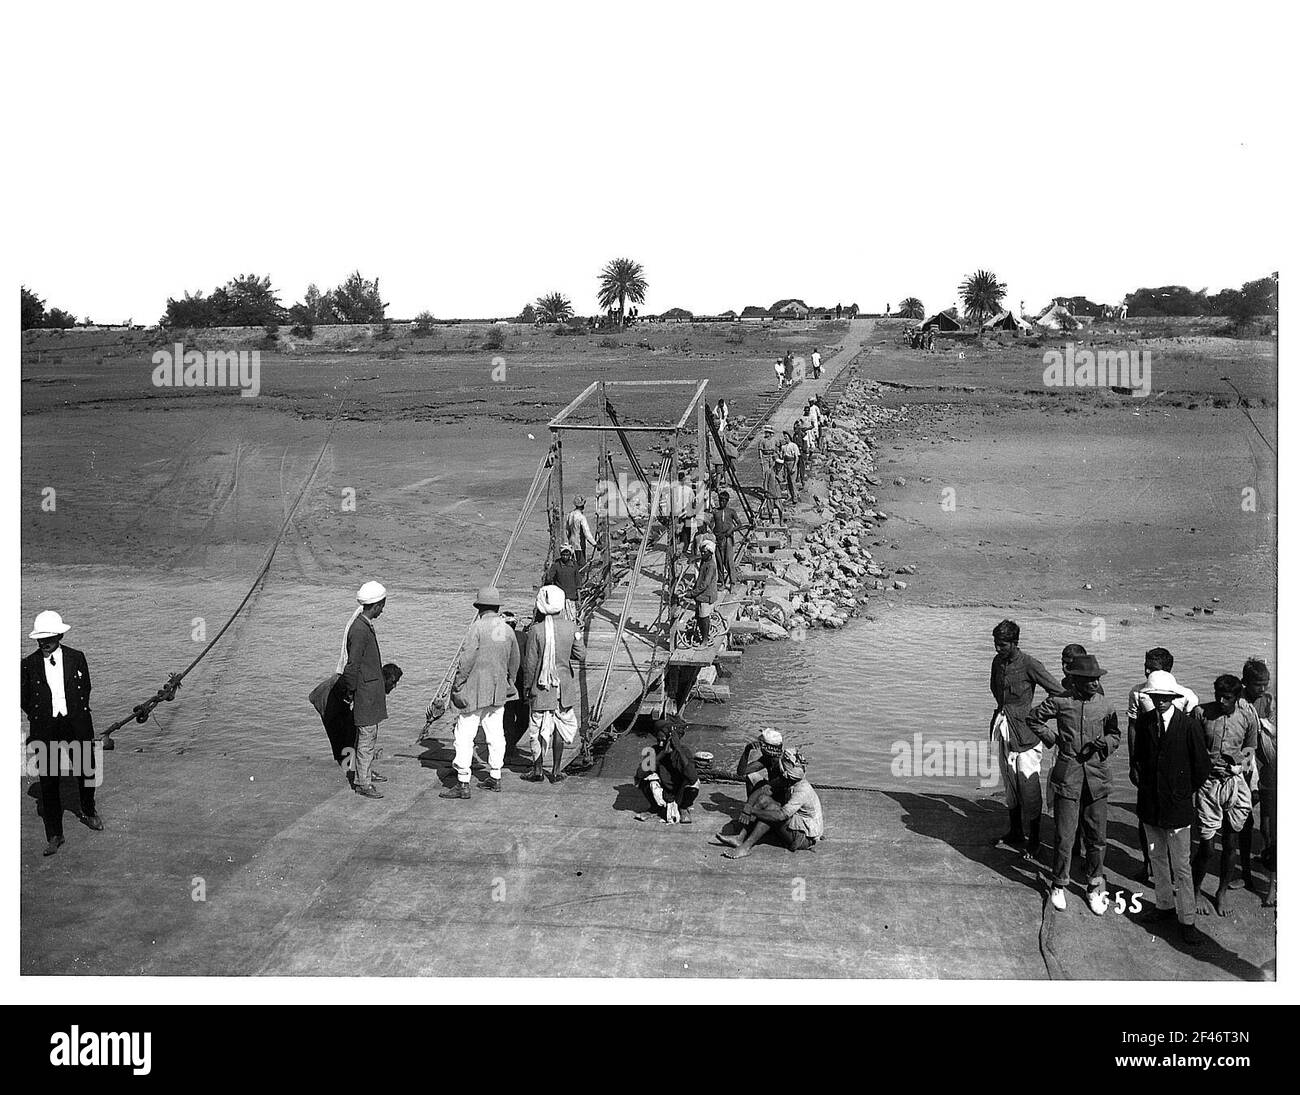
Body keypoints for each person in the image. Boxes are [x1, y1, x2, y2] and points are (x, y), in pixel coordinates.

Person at [1027, 653, 1121, 913]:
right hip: (1068, 776)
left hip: (1097, 778)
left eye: (1096, 679)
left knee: (1097, 836)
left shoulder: (1106, 705)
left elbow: (1116, 734)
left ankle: (1093, 886)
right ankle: (1059, 884)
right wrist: (1053, 739)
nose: (1094, 684)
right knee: (1064, 836)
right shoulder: (1060, 701)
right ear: (1075, 680)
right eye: (1089, 680)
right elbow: (1033, 718)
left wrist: (1107, 745)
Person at [1131, 670, 1212, 947]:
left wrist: (1180, 792)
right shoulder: (1143, 723)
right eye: (1156, 697)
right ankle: (1164, 906)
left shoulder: (1188, 726)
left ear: (1174, 698)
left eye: (1166, 698)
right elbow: (1139, 758)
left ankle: (1187, 920)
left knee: (1182, 866)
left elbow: (1202, 767)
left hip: (1177, 807)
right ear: (1151, 698)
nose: (1161, 702)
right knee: (1157, 859)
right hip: (1151, 805)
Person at [20, 610, 102, 856]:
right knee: (49, 781)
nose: (44, 643)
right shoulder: (28, 664)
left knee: (87, 770)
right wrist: (42, 715)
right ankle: (55, 834)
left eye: (49, 638)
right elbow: (24, 697)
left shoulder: (77, 658)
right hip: (46, 727)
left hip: (75, 723)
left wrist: (74, 712)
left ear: (59, 636)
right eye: (40, 639)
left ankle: (88, 810)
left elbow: (85, 687)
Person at [989, 619, 1065, 853]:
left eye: (1002, 645)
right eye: (995, 643)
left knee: (1029, 786)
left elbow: (1059, 693)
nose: (997, 648)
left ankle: (1034, 839)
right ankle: (1015, 832)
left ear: (1014, 643)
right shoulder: (997, 662)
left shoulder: (1030, 664)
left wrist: (1036, 715)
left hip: (1027, 736)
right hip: (1004, 729)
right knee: (1009, 782)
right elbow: (995, 690)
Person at [1126, 648, 1199, 881]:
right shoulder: (1137, 693)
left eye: (1152, 667)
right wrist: (1132, 762)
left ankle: (1172, 871)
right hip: (1148, 763)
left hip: (1175, 767)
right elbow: (1132, 728)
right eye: (1145, 664)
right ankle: (1148, 864)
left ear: (1167, 671)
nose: (1146, 670)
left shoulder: (1187, 696)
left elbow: (1191, 735)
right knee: (1145, 816)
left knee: (1174, 821)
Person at [1190, 674, 1260, 917]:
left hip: (1234, 783)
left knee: (1230, 843)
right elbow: (1192, 749)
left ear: (1237, 696)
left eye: (1228, 697)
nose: (1221, 700)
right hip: (1208, 785)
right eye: (1218, 695)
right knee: (1206, 847)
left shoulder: (1247, 716)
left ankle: (1221, 892)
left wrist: (1241, 763)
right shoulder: (1200, 713)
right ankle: (1196, 891)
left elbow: (1251, 748)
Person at [444, 586, 520, 798]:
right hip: (498, 691)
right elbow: (515, 660)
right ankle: (495, 776)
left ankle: (463, 782)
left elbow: (466, 660)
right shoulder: (507, 629)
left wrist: (458, 684)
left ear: (479, 607)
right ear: (497, 607)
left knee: (464, 734)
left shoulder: (477, 628)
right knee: (496, 733)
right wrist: (508, 681)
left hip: (474, 689)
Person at [519, 585, 587, 784]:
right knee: (558, 726)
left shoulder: (536, 630)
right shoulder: (571, 627)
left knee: (539, 728)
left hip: (542, 688)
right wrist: (576, 638)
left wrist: (526, 689)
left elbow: (530, 664)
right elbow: (581, 655)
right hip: (564, 687)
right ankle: (556, 771)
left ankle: (538, 769)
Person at [720, 748, 823, 859]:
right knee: (763, 799)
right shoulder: (788, 780)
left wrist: (752, 811)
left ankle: (745, 847)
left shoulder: (802, 791)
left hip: (803, 838)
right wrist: (748, 807)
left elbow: (780, 816)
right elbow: (762, 790)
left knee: (772, 812)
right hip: (795, 823)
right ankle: (740, 837)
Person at [339, 581, 389, 799]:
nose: (383, 610)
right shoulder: (360, 630)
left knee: (367, 736)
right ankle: (363, 782)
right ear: (376, 605)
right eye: (382, 605)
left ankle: (364, 772)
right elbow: (353, 665)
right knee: (367, 736)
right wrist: (350, 691)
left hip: (369, 692)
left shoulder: (362, 624)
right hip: (365, 693)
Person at [1242, 657, 1276, 906]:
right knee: (1245, 818)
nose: (1263, 689)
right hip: (1248, 763)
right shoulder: (1239, 702)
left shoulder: (1267, 700)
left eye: (1266, 684)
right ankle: (1247, 870)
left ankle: (1269, 860)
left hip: (1267, 765)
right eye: (1258, 685)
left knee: (1269, 825)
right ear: (1245, 683)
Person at [634, 719, 701, 824]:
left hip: (679, 792)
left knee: (694, 785)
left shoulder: (684, 751)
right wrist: (662, 754)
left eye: (663, 740)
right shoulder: (653, 750)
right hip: (662, 789)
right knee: (644, 779)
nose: (661, 744)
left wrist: (678, 749)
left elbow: (692, 777)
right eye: (658, 740)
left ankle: (683, 808)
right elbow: (640, 773)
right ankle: (655, 807)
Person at [689, 538, 719, 646]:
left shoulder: (710, 565)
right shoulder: (705, 561)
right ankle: (702, 635)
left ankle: (705, 640)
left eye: (704, 552)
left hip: (707, 595)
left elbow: (705, 584)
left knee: (704, 617)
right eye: (701, 552)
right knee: (699, 616)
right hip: (701, 594)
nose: (702, 554)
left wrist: (692, 593)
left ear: (710, 553)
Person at [709, 490, 740, 589]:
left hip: (728, 539)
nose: (721, 502)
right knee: (719, 561)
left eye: (723, 501)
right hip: (718, 539)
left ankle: (732, 583)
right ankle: (722, 583)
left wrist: (731, 530)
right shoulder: (715, 512)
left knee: (729, 561)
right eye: (720, 500)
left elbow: (739, 524)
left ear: (727, 501)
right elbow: (710, 524)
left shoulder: (731, 512)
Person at [543, 543, 582, 620]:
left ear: (569, 555)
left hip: (571, 597)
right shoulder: (556, 565)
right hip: (559, 598)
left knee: (571, 618)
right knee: (560, 619)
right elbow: (549, 580)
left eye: (567, 555)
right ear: (561, 554)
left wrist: (579, 599)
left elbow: (578, 583)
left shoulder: (574, 565)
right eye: (563, 555)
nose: (565, 557)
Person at [565, 495, 597, 567]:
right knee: (581, 564)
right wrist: (594, 544)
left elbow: (567, 531)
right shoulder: (581, 517)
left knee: (573, 562)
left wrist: (570, 539)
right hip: (579, 544)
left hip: (571, 543)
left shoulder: (570, 515)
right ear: (583, 505)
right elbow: (587, 533)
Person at [780, 432, 800, 502]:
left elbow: (796, 457)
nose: (785, 438)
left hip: (792, 463)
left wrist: (794, 467)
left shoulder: (794, 445)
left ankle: (795, 497)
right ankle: (789, 495)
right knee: (787, 481)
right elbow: (782, 457)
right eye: (784, 437)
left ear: (789, 437)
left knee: (792, 481)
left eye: (786, 436)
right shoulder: (783, 447)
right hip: (786, 464)